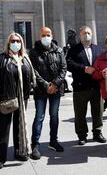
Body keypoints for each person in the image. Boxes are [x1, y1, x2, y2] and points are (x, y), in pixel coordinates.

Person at [0, 33, 36, 169]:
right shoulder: (1, 58)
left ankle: (20, 151)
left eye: (18, 41)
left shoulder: (25, 58)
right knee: (3, 128)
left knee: (20, 125)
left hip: (22, 98)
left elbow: (31, 75)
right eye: (13, 41)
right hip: (7, 98)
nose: (15, 43)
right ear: (8, 43)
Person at [29, 27, 67, 159]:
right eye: (43, 35)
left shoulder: (59, 50)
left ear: (52, 35)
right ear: (39, 36)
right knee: (39, 117)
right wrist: (46, 85)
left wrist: (55, 84)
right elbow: (34, 71)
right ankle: (35, 144)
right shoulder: (34, 52)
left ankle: (53, 141)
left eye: (48, 34)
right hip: (41, 90)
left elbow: (63, 68)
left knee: (54, 115)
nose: (46, 37)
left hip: (55, 89)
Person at [66, 26, 106, 145]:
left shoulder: (99, 50)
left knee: (98, 111)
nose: (86, 35)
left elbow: (103, 64)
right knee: (80, 113)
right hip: (80, 86)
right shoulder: (74, 50)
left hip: (96, 86)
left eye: (88, 33)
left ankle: (97, 132)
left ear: (92, 34)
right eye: (84, 33)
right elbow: (69, 63)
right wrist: (84, 69)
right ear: (80, 35)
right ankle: (82, 135)